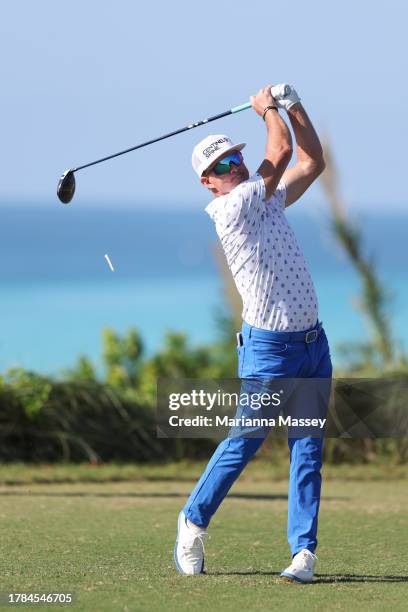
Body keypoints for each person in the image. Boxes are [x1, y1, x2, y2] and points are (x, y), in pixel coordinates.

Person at [173, 84, 332, 583]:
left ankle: (303, 553)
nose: (234, 166)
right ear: (207, 182)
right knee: (246, 439)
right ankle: (191, 523)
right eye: (221, 165)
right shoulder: (232, 209)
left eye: (236, 157)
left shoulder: (268, 201)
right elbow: (280, 151)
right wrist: (268, 109)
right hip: (270, 352)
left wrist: (295, 105)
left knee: (308, 447)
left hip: (312, 345)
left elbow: (312, 160)